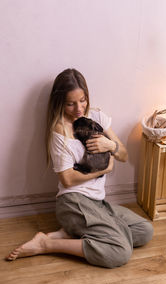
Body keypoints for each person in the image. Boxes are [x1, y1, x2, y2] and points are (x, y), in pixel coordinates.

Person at [6, 68, 153, 268]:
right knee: (120, 252)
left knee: (144, 230)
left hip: (97, 202)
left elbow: (124, 155)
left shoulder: (97, 117)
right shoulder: (59, 131)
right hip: (73, 201)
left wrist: (111, 146)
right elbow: (67, 179)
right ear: (59, 103)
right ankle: (47, 244)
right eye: (70, 103)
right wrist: (103, 170)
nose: (79, 108)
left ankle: (73, 232)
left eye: (82, 100)